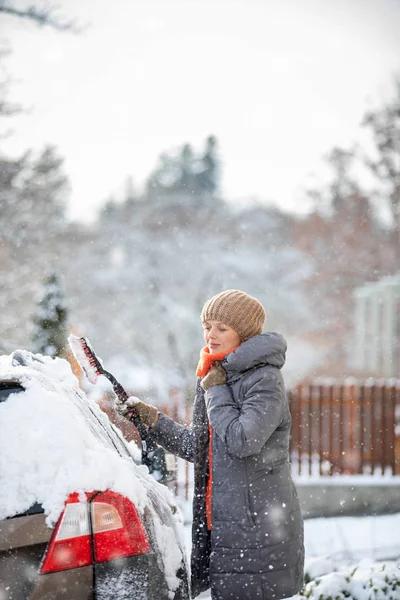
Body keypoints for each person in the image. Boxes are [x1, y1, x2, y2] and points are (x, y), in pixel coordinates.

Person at [117, 289, 304, 600]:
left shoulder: (263, 380)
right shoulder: (216, 373)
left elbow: (242, 441)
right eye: (207, 325)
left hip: (255, 530)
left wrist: (215, 391)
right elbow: (198, 447)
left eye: (222, 328)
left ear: (243, 333)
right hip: (218, 525)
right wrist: (151, 419)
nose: (211, 335)